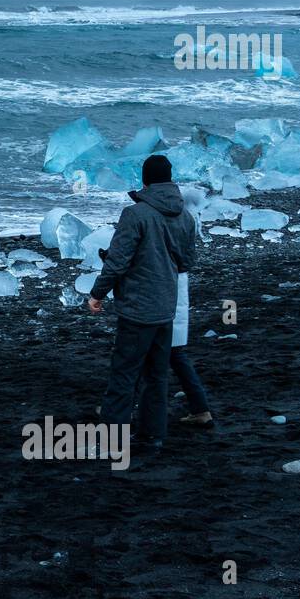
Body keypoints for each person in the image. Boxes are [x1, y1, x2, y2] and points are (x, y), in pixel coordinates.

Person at [87, 154, 197, 455]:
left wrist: (97, 294)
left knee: (123, 375)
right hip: (166, 308)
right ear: (171, 179)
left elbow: (117, 263)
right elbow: (186, 262)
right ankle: (153, 435)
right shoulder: (186, 216)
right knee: (157, 376)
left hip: (137, 308)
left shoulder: (135, 215)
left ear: (145, 181)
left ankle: (111, 442)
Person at [173, 187, 213, 426]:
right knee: (173, 354)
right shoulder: (190, 223)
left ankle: (201, 408)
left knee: (144, 352)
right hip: (178, 296)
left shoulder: (176, 223)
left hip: (163, 298)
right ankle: (200, 408)